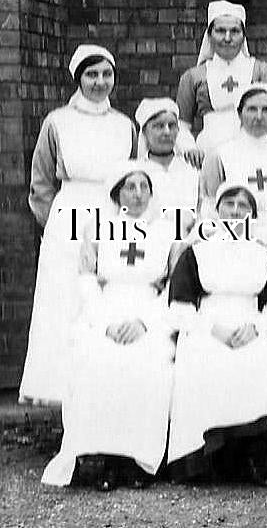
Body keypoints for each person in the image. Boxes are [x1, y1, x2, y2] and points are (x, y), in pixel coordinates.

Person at [42, 163, 179, 490]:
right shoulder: (99, 227)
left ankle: (139, 461)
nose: (138, 193)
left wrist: (145, 323)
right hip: (105, 310)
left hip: (149, 312)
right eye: (130, 187)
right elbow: (86, 279)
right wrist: (104, 323)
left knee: (149, 365)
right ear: (118, 193)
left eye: (144, 186)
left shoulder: (165, 231)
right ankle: (108, 459)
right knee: (97, 363)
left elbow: (173, 285)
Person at [22, 44, 137, 405]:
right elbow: (41, 183)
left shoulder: (124, 125)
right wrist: (53, 225)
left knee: (105, 291)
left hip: (111, 214)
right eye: (91, 74)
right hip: (69, 213)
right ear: (78, 78)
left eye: (106, 74)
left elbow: (133, 175)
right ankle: (57, 389)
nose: (99, 82)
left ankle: (104, 387)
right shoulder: (57, 122)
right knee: (65, 297)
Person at [167, 184, 267, 486]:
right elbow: (179, 307)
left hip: (252, 326)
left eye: (243, 205)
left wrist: (258, 328)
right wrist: (214, 329)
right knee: (202, 358)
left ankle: (257, 451)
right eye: (229, 203)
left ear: (253, 214)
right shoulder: (195, 253)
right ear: (217, 210)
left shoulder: (266, 255)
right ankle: (208, 454)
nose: (236, 211)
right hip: (206, 327)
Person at [199, 83, 267, 268]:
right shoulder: (220, 155)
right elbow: (209, 208)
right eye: (252, 109)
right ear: (239, 114)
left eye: (266, 110)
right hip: (234, 238)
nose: (259, 116)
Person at [177, 0, 267, 154]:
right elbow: (181, 125)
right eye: (220, 31)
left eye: (234, 31)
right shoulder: (193, 77)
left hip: (255, 152)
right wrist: (190, 150)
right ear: (209, 35)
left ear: (243, 36)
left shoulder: (262, 72)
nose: (227, 38)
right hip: (209, 153)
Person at [135, 97, 201, 233]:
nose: (167, 132)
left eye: (172, 126)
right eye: (159, 126)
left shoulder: (192, 169)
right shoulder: (136, 171)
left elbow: (204, 211)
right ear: (145, 132)